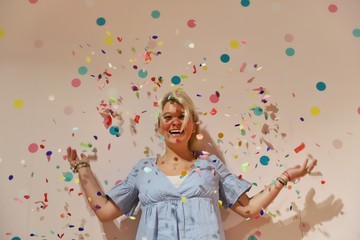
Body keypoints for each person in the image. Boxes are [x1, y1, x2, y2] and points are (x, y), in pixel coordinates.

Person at [67, 90, 317, 240]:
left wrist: (285, 177)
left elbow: (249, 208)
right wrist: (82, 168)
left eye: (182, 116)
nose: (175, 122)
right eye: (168, 117)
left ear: (192, 125)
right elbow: (105, 211)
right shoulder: (143, 170)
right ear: (159, 126)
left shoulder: (210, 165)